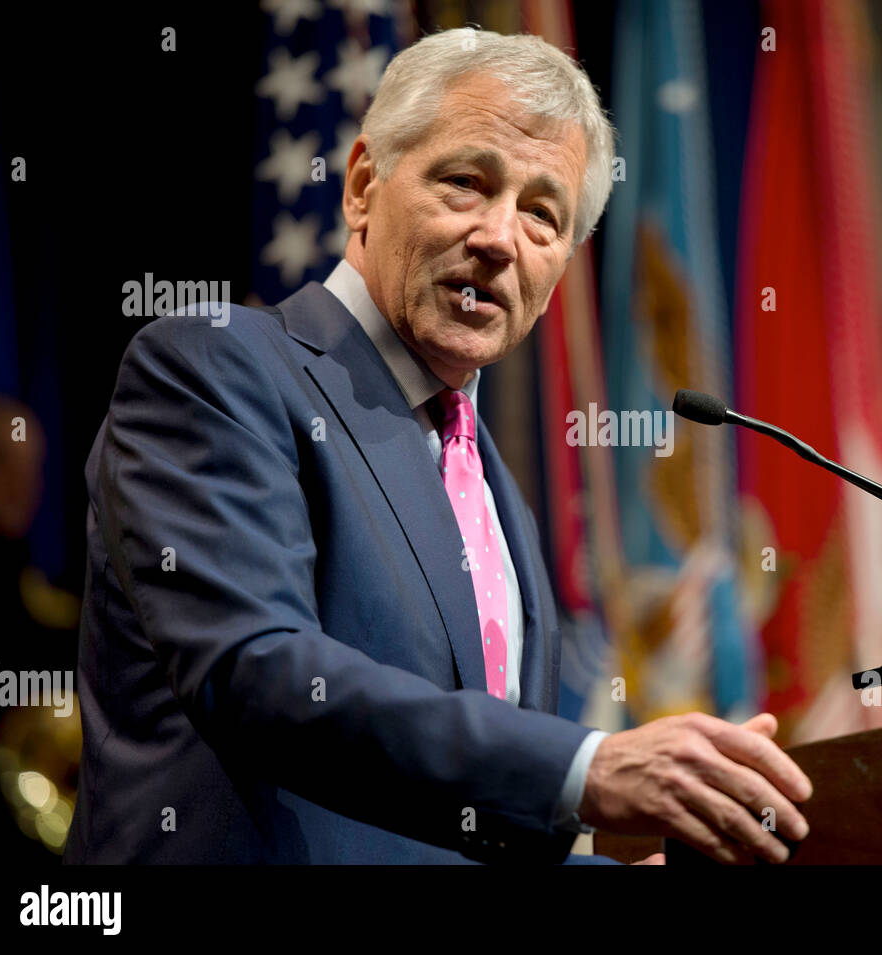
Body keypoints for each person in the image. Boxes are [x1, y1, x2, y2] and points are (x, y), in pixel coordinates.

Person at [65, 27, 811, 865]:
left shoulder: (496, 494)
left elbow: (460, 824)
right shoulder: (215, 366)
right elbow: (257, 671)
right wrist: (583, 763)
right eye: (466, 182)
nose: (500, 237)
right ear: (361, 186)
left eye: (542, 214)